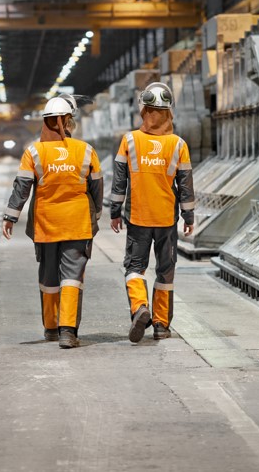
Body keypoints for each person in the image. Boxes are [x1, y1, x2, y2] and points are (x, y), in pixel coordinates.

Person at [2, 95, 103, 349]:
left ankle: (50, 328)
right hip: (77, 224)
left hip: (46, 225)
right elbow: (96, 187)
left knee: (48, 275)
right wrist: (97, 214)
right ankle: (68, 331)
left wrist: (11, 216)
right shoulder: (85, 150)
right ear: (67, 121)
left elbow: (22, 187)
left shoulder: (34, 151)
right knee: (72, 277)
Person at [109, 82, 195, 342]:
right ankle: (161, 325)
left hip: (138, 217)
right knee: (165, 271)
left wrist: (115, 211)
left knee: (135, 267)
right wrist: (189, 216)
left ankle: (140, 307)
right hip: (166, 218)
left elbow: (119, 181)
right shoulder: (178, 144)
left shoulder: (130, 140)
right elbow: (185, 184)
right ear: (169, 111)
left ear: (143, 110)